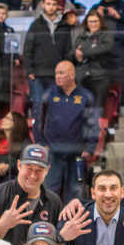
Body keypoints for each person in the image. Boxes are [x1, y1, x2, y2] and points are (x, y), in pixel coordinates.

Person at [35, 61, 97, 203]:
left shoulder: (86, 96)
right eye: (56, 73)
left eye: (61, 73)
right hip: (53, 153)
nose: (57, 76)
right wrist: (41, 143)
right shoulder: (48, 95)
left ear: (72, 75)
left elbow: (92, 124)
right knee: (48, 192)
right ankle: (47, 223)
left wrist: (90, 148)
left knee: (76, 194)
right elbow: (38, 121)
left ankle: (73, 224)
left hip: (77, 153)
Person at [0, 144, 64, 245]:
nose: (33, 175)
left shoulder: (54, 202)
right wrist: (3, 225)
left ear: (47, 170)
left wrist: (62, 237)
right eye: (29, 168)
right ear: (19, 165)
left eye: (39, 170)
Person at [24, 0, 72, 118]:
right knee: (38, 106)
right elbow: (28, 49)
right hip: (38, 74)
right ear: (43, 5)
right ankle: (38, 135)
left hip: (58, 74)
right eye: (48, 4)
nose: (51, 7)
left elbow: (68, 51)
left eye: (54, 4)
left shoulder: (64, 26)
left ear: (58, 6)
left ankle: (55, 136)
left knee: (57, 106)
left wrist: (66, 71)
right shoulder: (35, 25)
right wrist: (29, 70)